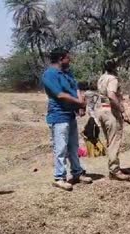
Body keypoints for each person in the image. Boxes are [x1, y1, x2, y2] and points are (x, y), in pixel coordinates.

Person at [42, 47, 93, 191]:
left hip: (70, 115)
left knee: (73, 146)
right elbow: (60, 95)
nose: (69, 60)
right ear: (60, 59)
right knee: (61, 147)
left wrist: (80, 105)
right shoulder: (49, 74)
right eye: (67, 58)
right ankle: (59, 177)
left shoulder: (67, 73)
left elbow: (74, 88)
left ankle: (77, 173)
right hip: (58, 116)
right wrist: (79, 103)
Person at [97, 59, 130, 181]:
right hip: (111, 111)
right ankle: (114, 170)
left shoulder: (102, 78)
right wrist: (121, 110)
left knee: (110, 141)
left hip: (102, 110)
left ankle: (114, 167)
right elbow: (111, 95)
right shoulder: (112, 79)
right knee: (114, 141)